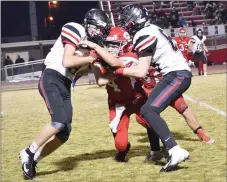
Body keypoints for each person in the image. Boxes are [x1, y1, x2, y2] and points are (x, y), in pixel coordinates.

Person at [96, 4, 192, 172]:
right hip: (175, 73)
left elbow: (140, 71)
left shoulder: (143, 34)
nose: (125, 24)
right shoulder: (152, 29)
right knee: (148, 109)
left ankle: (174, 149)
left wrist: (116, 70)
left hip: (176, 74)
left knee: (148, 111)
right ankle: (156, 151)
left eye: (126, 20)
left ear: (133, 20)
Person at [19, 9, 110, 180]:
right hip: (51, 76)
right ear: (89, 24)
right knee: (59, 121)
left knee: (64, 133)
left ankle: (34, 160)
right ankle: (28, 151)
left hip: (65, 84)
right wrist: (91, 60)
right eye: (98, 28)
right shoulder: (76, 29)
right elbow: (67, 61)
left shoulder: (95, 48)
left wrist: (119, 71)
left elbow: (99, 80)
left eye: (102, 29)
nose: (99, 32)